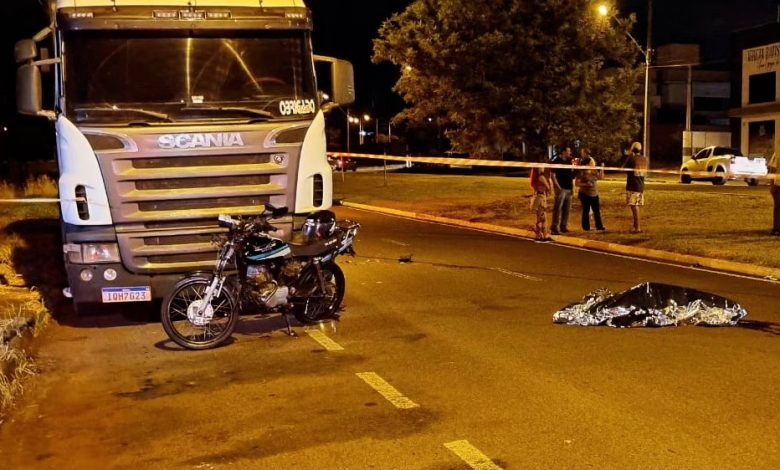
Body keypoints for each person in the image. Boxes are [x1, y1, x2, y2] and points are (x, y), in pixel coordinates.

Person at [575, 149, 606, 231]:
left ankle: (599, 226)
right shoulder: (581, 172)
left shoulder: (594, 171)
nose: (593, 163)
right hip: (585, 194)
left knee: (597, 211)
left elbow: (601, 177)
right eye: (591, 163)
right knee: (586, 210)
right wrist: (585, 184)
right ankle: (586, 227)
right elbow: (577, 183)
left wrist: (602, 169)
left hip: (594, 193)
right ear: (587, 164)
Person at [624, 142, 648, 233]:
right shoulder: (644, 159)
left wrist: (629, 155)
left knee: (634, 206)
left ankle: (637, 227)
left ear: (632, 149)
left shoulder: (631, 159)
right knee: (635, 206)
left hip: (632, 185)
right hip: (640, 185)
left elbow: (624, 168)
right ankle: (635, 226)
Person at [550, 147, 575, 235]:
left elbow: (571, 175)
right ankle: (554, 227)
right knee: (558, 208)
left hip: (569, 187)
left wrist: (572, 188)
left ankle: (564, 226)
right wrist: (557, 186)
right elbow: (552, 175)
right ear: (563, 152)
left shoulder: (569, 161)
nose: (570, 153)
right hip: (561, 188)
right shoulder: (556, 160)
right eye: (568, 151)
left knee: (567, 209)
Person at [529, 164, 552, 241]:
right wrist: (549, 187)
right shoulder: (540, 175)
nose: (543, 168)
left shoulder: (535, 175)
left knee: (542, 217)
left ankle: (543, 235)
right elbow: (544, 181)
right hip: (540, 197)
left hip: (539, 196)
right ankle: (539, 234)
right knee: (542, 217)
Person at [769, 152, 780, 236]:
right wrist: (772, 185)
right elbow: (772, 169)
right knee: (778, 207)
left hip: (776, 185)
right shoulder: (777, 154)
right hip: (778, 185)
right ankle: (776, 228)